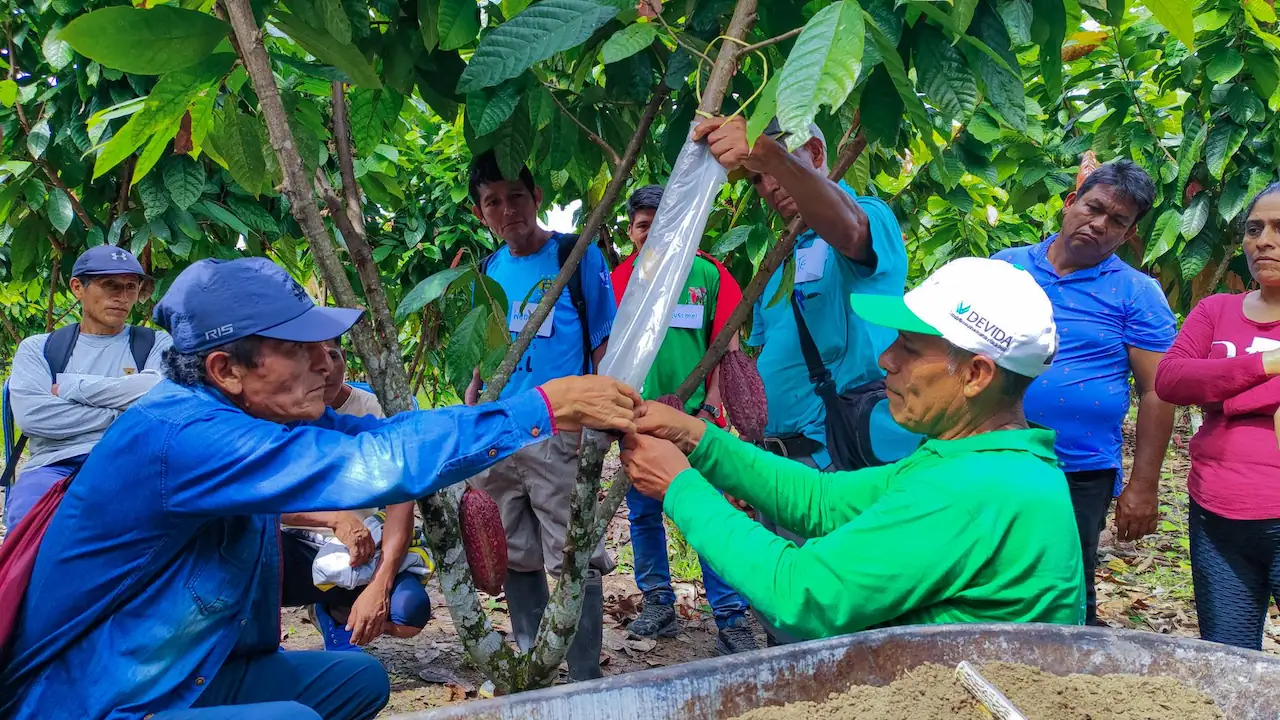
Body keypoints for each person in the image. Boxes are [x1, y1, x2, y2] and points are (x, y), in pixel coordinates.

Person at [0, 257, 640, 720]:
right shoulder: (182, 435)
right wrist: (542, 407)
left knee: (357, 680)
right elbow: (374, 460)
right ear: (226, 369)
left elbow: (387, 434)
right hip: (100, 693)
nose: (324, 362)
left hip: (183, 670)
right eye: (298, 348)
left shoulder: (251, 411)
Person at [620, 257, 1084, 641]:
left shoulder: (978, 489)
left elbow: (800, 596)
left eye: (908, 347)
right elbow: (822, 500)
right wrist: (698, 439)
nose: (887, 359)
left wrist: (679, 488)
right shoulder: (983, 462)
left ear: (975, 375)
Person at [692, 115, 920, 644]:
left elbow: (851, 230)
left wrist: (772, 154)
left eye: (778, 166)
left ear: (816, 149)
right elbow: (765, 351)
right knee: (784, 605)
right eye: (756, 179)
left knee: (832, 613)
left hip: (836, 459)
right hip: (779, 459)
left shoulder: (866, 219)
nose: (769, 187)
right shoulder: (781, 255)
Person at [993, 159, 1176, 626]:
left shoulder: (1137, 292)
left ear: (1129, 233)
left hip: (1079, 468)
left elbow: (1159, 390)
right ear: (1070, 203)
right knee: (985, 572)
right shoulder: (1004, 269)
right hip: (990, 453)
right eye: (1094, 208)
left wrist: (1143, 484)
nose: (1100, 225)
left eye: (1118, 221)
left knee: (1066, 585)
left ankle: (1069, 688)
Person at [463, 151, 618, 681]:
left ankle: (583, 675)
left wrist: (602, 422)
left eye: (516, 197)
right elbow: (485, 349)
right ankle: (536, 664)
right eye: (493, 203)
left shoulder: (576, 257)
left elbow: (603, 343)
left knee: (573, 553)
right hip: (501, 432)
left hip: (560, 431)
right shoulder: (488, 272)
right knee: (514, 552)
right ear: (482, 213)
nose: (507, 211)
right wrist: (475, 402)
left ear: (537, 199)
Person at [610, 185, 757, 654]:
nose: (651, 235)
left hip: (696, 421)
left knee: (708, 515)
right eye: (641, 226)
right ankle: (658, 603)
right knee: (644, 514)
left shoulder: (709, 274)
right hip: (640, 419)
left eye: (661, 224)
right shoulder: (620, 279)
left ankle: (731, 616)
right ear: (632, 232)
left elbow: (726, 351)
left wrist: (712, 409)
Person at [1154, 184, 1280, 650]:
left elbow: (1198, 383)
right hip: (1216, 514)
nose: (1263, 240)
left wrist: (1223, 394)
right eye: (1254, 229)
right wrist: (1264, 365)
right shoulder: (1216, 309)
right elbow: (1171, 381)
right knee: (1228, 657)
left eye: (1279, 228)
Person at [5, 245, 171, 528]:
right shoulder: (39, 349)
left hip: (133, 460)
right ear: (77, 287)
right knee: (27, 521)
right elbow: (33, 417)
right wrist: (126, 413)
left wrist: (71, 387)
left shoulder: (157, 344)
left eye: (131, 287)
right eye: (110, 285)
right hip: (54, 465)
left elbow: (162, 400)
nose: (122, 297)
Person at [280, 341, 431, 651]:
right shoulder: (275, 415)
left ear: (344, 359)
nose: (326, 368)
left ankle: (335, 610)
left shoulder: (367, 413)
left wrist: (380, 584)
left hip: (364, 546)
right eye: (312, 358)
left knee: (409, 611)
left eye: (333, 356)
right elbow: (255, 501)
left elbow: (400, 495)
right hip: (298, 543)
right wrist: (333, 519)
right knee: (255, 561)